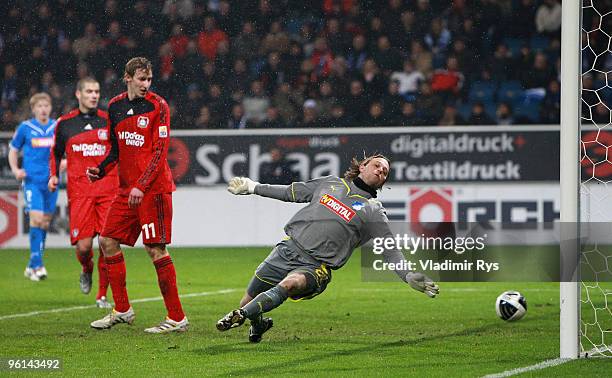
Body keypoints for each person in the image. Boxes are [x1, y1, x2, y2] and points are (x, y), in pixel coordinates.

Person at [216, 154, 439, 342]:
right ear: (362, 166)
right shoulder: (330, 183)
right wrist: (253, 187)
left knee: (291, 283)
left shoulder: (373, 211)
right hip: (287, 249)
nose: (381, 171)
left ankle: (240, 315)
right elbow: (289, 192)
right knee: (248, 299)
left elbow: (389, 249)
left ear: (383, 182)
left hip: (316, 267)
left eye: (385, 172)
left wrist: (407, 274)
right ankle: (257, 323)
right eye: (377, 165)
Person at [86, 57, 188, 333]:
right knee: (107, 240)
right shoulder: (116, 106)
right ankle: (122, 309)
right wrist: (101, 168)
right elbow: (116, 151)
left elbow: (160, 152)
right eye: (141, 79)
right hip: (127, 190)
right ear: (127, 77)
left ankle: (177, 318)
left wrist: (141, 186)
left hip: (152, 190)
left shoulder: (158, 106)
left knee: (155, 248)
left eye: (149, 80)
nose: (146, 85)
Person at [48, 77, 116, 308]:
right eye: (89, 91)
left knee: (107, 244)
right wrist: (54, 174)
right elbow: (55, 152)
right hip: (80, 192)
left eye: (96, 91)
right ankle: (86, 269)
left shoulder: (109, 120)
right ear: (78, 94)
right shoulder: (65, 123)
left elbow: (119, 150)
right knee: (85, 247)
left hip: (108, 190)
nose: (94, 95)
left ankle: (102, 296)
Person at [8, 93, 57, 281]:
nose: (43, 109)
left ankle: (32, 264)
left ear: (50, 107)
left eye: (46, 105)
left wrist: (65, 162)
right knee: (36, 218)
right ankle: (38, 266)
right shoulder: (25, 128)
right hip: (32, 182)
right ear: (34, 109)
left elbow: (66, 148)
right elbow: (13, 150)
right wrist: (15, 170)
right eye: (40, 106)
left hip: (51, 182)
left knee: (44, 223)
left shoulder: (56, 126)